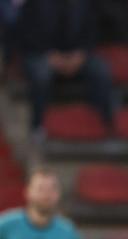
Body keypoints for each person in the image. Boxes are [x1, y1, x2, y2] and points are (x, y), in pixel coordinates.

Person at [13, 0, 115, 137]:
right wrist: (49, 55)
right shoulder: (34, 4)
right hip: (42, 54)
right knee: (41, 74)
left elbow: (92, 32)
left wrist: (81, 55)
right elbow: (25, 33)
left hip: (77, 55)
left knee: (101, 69)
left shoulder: (85, 4)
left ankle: (101, 122)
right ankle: (38, 125)